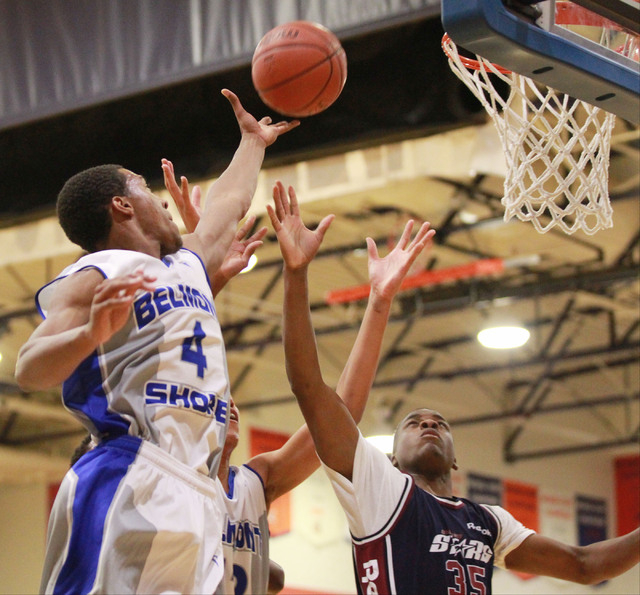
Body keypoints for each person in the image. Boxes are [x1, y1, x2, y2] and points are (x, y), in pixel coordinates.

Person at [274, 187, 640, 593]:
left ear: (456, 459)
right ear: (391, 459)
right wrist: (297, 272)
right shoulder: (380, 488)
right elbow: (308, 386)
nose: (429, 423)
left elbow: (586, 565)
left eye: (440, 423)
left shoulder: (489, 521)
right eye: (414, 422)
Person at [15, 90, 299, 595]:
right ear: (122, 205)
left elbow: (227, 203)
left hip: (197, 488)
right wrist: (90, 334)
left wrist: (253, 143)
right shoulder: (97, 272)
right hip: (133, 470)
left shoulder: (187, 263)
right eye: (144, 188)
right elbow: (30, 368)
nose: (162, 199)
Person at [164, 171, 434, 595]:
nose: (228, 403)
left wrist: (378, 302)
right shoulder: (168, 476)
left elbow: (341, 411)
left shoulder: (256, 482)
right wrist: (202, 270)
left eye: (229, 398)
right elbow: (172, 351)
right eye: (215, 397)